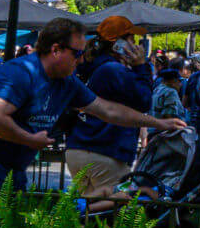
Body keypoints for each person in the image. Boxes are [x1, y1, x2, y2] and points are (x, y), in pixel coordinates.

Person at [0, 17, 186, 228]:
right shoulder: (21, 72)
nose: (82, 59)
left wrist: (158, 123)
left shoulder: (67, 83)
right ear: (56, 50)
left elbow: (109, 111)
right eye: (77, 53)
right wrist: (30, 139)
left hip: (13, 173)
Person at [65, 26, 155, 201]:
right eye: (131, 40)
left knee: (94, 217)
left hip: (83, 148)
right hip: (105, 151)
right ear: (117, 44)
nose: (136, 46)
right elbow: (144, 100)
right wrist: (141, 67)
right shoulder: (114, 70)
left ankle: (69, 225)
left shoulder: (94, 67)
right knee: (117, 206)